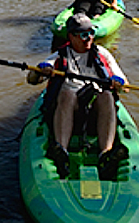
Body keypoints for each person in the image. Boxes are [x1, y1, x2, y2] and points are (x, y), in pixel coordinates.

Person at [27, 13, 128, 180]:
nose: (88, 38)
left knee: (107, 96)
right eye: (83, 34)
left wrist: (118, 82)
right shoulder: (60, 55)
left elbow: (125, 86)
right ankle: (61, 151)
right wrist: (39, 70)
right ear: (71, 36)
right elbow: (32, 80)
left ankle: (106, 155)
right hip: (68, 111)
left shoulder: (103, 54)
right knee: (67, 94)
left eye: (90, 33)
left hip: (95, 115)